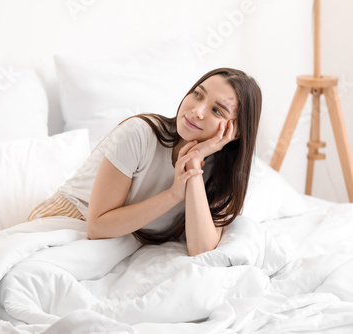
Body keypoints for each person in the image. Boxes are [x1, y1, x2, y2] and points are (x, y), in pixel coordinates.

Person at [27, 67, 262, 256]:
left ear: (235, 131)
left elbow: (201, 249)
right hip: (70, 219)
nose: (197, 111)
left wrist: (194, 164)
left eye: (217, 111)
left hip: (122, 242)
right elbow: (97, 227)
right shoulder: (139, 133)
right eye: (198, 94)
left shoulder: (222, 172)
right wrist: (173, 194)